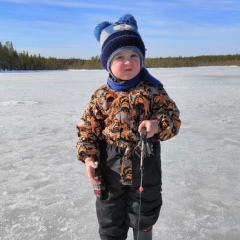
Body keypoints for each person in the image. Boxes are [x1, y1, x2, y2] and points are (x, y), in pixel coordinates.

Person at [76, 14, 181, 240]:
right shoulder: (101, 95)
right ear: (107, 62)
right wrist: (88, 158)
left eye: (134, 55)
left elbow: (173, 119)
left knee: (143, 215)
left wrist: (156, 125)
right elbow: (87, 130)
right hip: (110, 165)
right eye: (120, 56)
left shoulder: (153, 90)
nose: (128, 61)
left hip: (145, 164)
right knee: (110, 219)